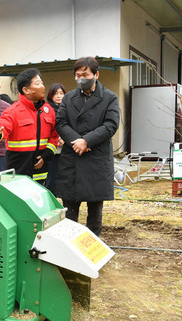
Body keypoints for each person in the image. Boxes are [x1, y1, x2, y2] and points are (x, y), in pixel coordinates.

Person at [54, 57, 120, 236]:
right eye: (77, 75)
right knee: (69, 211)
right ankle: (69, 248)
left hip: (96, 159)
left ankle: (92, 249)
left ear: (96, 75)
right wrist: (77, 141)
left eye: (85, 75)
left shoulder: (109, 98)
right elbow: (60, 123)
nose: (81, 79)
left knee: (95, 213)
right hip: (72, 158)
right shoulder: (68, 98)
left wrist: (87, 141)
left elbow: (111, 125)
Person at [0, 68, 59, 184]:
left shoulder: (48, 110)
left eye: (42, 83)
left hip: (41, 174)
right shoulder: (13, 111)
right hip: (18, 174)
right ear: (26, 90)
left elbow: (54, 135)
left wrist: (47, 155)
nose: (42, 86)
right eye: (37, 83)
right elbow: (2, 125)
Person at [44, 83, 67, 193]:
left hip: (66, 149)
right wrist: (56, 138)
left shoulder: (67, 108)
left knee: (63, 177)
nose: (59, 96)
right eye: (56, 93)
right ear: (50, 95)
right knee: (51, 178)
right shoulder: (47, 110)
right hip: (51, 150)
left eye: (61, 93)